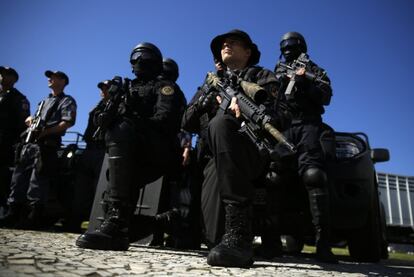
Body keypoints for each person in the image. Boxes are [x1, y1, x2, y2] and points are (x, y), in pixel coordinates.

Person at [75, 42, 186, 251]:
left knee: (123, 127)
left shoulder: (163, 86)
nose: (137, 63)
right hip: (129, 153)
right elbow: (101, 124)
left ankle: (116, 224)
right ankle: (152, 223)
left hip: (157, 150)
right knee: (111, 205)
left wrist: (134, 118)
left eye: (142, 59)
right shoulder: (127, 88)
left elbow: (166, 119)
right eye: (134, 60)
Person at [204, 29, 280, 268]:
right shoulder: (213, 81)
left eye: (233, 42)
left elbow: (281, 115)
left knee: (223, 122)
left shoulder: (262, 76)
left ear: (248, 52)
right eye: (223, 43)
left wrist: (248, 115)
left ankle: (239, 236)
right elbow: (185, 121)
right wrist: (208, 101)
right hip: (214, 157)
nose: (226, 45)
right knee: (213, 240)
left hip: (252, 150)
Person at [274, 31, 337, 263]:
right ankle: (272, 241)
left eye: (291, 45)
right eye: (284, 46)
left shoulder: (315, 71)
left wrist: (305, 82)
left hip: (309, 125)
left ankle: (323, 243)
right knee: (273, 176)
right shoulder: (277, 71)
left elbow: (326, 96)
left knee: (313, 175)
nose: (287, 49)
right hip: (283, 128)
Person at [0, 70, 77, 229]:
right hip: (29, 144)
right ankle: (13, 214)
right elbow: (32, 119)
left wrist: (46, 132)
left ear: (62, 81)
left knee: (37, 182)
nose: (49, 79)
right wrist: (30, 121)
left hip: (47, 144)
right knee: (18, 179)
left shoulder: (66, 101)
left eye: (53, 77)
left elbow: (67, 123)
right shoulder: (43, 101)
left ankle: (33, 217)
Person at [181, 58, 226, 249]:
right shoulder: (205, 88)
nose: (219, 62)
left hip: (224, 150)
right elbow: (185, 122)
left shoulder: (239, 83)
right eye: (215, 59)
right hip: (202, 148)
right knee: (192, 195)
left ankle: (214, 239)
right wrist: (201, 105)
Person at [65, 80, 111, 232]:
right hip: (90, 149)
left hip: (104, 150)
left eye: (107, 87)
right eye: (102, 88)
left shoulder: (118, 106)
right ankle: (75, 220)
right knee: (81, 187)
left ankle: (98, 223)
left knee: (100, 187)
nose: (104, 90)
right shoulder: (96, 107)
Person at [0, 67, 30, 212]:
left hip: (7, 145)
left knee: (5, 178)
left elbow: (22, 124)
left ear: (13, 79)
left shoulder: (19, 98)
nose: (1, 76)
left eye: (4, 74)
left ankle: (6, 210)